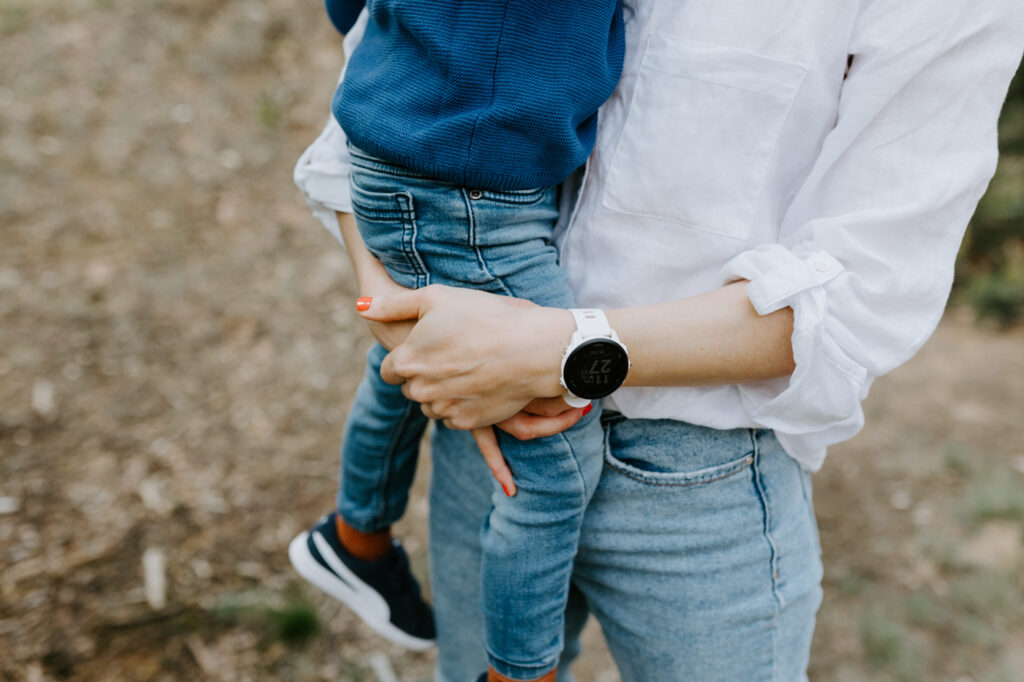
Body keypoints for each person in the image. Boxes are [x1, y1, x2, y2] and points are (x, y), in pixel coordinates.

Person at [295, 1, 1023, 680]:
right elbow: (394, 50)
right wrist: (390, 299)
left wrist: (553, 353)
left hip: (700, 491)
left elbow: (864, 292)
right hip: (480, 431)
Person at [289, 2, 626, 681]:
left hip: (420, 152)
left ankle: (359, 538)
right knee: (557, 464)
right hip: (466, 187)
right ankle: (517, 673)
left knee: (416, 353)